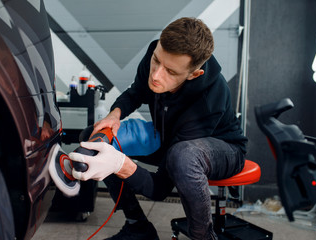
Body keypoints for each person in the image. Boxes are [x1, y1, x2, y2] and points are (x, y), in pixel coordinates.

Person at [69, 17, 247, 240]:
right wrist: (114, 116)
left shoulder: (209, 97)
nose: (156, 75)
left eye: (171, 72)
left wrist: (119, 164)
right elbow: (137, 92)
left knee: (182, 157)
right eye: (156, 61)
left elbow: (160, 188)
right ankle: (137, 226)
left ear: (194, 74)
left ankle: (204, 237)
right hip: (168, 134)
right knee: (95, 137)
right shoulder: (158, 51)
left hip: (223, 148)